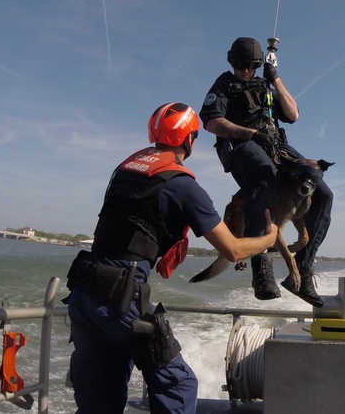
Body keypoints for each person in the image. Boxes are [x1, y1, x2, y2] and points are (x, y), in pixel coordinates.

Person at [65, 102, 279, 414]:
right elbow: (231, 250)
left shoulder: (125, 169)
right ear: (189, 139)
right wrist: (268, 239)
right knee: (178, 384)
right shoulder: (181, 185)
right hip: (119, 296)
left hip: (84, 291)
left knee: (101, 394)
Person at [199, 37, 332, 307]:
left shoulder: (265, 85)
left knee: (322, 192)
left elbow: (293, 115)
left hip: (276, 145)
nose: (246, 70)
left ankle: (304, 272)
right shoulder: (224, 84)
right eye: (241, 65)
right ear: (231, 62)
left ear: (259, 65)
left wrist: (276, 79)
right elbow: (212, 122)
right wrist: (251, 133)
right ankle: (261, 268)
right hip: (241, 145)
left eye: (252, 65)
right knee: (264, 177)